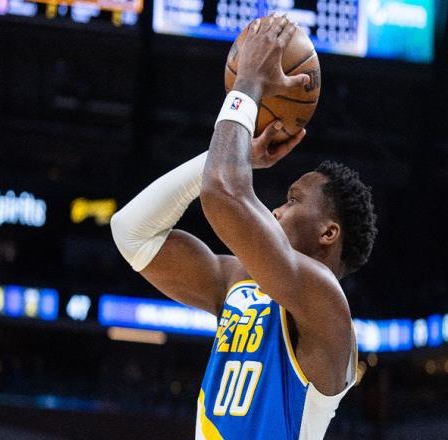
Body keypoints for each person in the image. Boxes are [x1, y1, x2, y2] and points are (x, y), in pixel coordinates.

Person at [111, 15, 377, 440]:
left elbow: (223, 195)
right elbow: (131, 232)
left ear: (329, 233)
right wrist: (226, 159)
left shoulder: (325, 305)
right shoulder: (241, 283)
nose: (276, 210)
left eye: (293, 201)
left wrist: (248, 84)